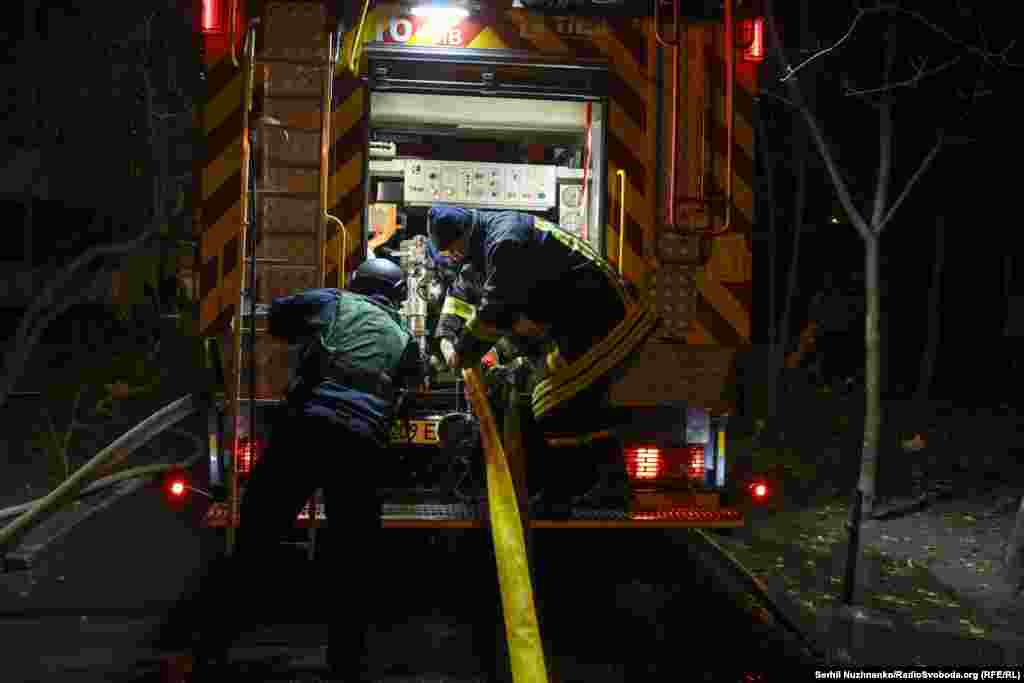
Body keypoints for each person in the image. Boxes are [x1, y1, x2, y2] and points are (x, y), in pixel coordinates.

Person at [154, 258, 424, 681]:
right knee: (352, 562)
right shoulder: (405, 337)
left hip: (307, 431)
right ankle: (345, 667)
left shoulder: (336, 302)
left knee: (255, 541)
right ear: (398, 295)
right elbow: (412, 387)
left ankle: (208, 651)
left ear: (358, 282)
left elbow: (280, 317)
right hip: (361, 446)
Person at [427, 206, 660, 512]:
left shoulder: (505, 241)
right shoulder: (482, 246)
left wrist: (465, 354)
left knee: (551, 401)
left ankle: (576, 490)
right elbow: (460, 300)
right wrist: (446, 339)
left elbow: (497, 310)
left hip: (606, 319)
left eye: (450, 251)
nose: (450, 258)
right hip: (577, 327)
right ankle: (590, 484)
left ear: (464, 237)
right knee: (550, 396)